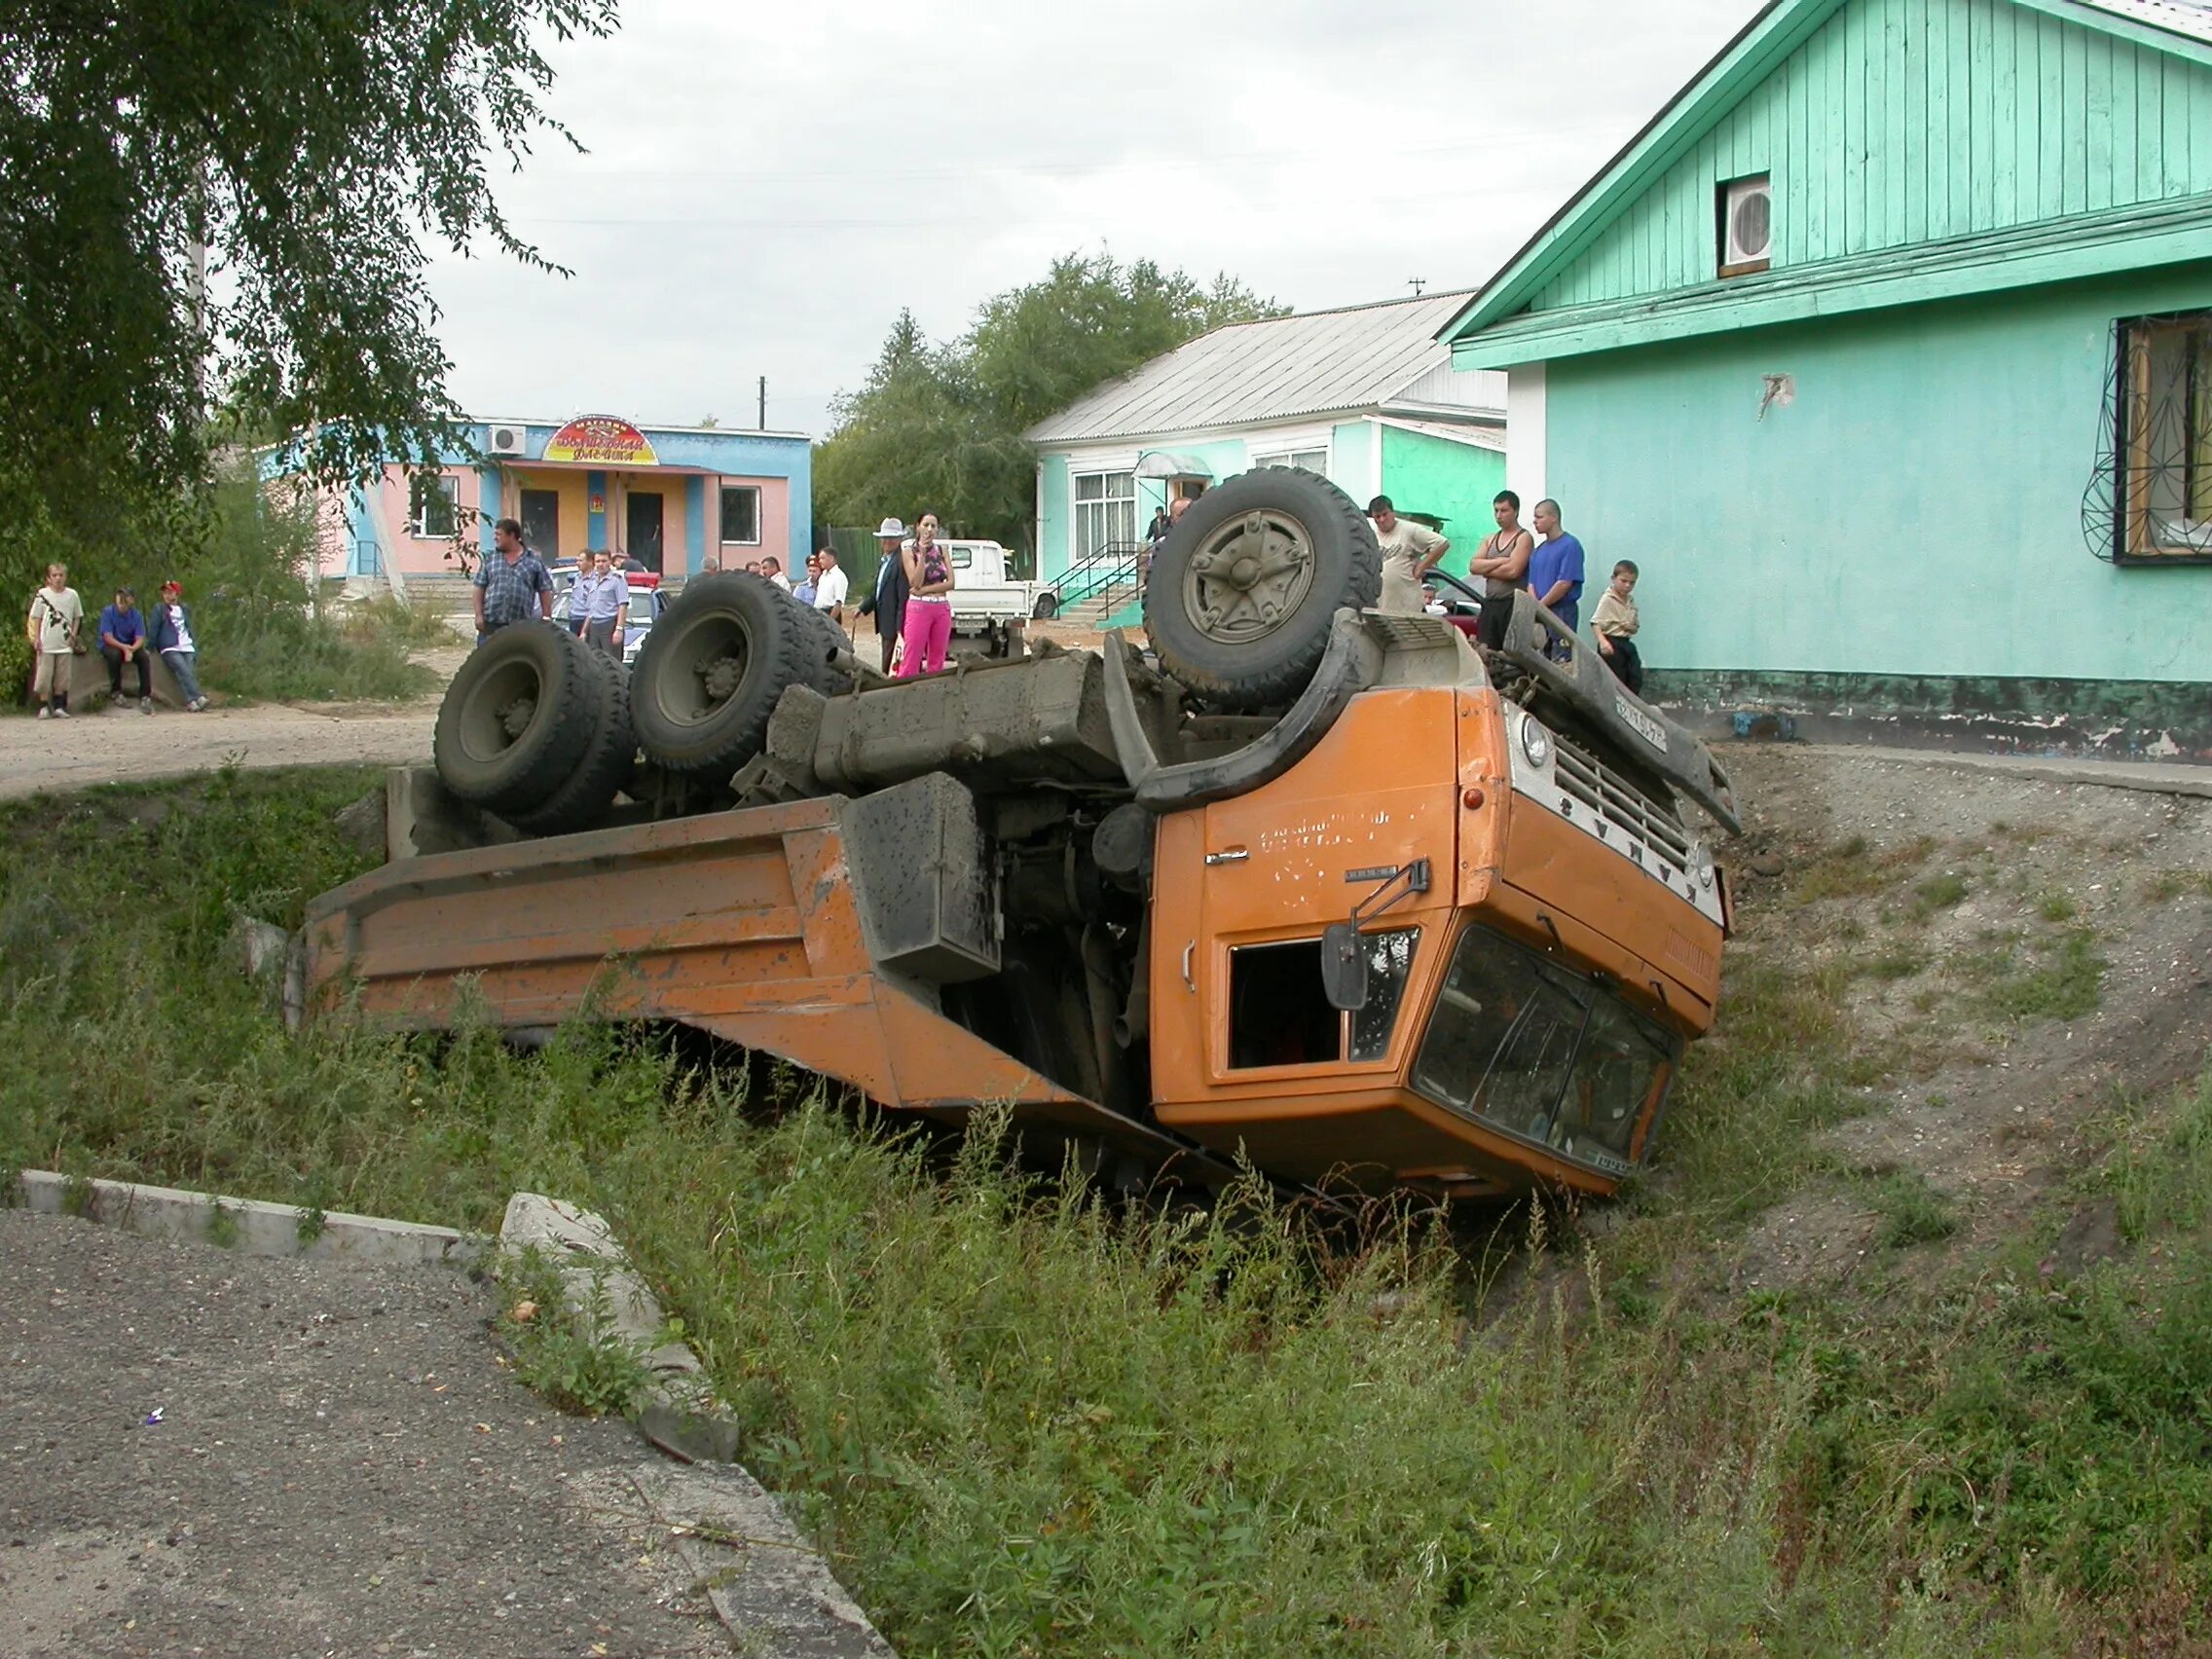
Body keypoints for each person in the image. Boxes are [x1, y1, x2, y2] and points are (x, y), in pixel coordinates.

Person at [1464, 491, 1534, 649]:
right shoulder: (1490, 538)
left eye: (1504, 510)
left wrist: (1486, 569)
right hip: (1490, 603)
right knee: (1486, 652)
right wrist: (1500, 561)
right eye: (1496, 510)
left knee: (1510, 654)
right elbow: (1473, 566)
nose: (1498, 515)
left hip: (1512, 604)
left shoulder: (1523, 537)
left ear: (1515, 511)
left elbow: (1513, 571)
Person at [472, 517, 554, 645]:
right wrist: (478, 615)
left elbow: (545, 589)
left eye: (499, 534)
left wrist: (547, 616)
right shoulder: (491, 559)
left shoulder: (533, 561)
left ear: (512, 535)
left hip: (520, 626)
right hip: (491, 624)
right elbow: (479, 587)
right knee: (487, 662)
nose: (495, 538)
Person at [1369, 496, 1450, 616]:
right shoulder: (1371, 535)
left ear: (1392, 512)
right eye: (1377, 517)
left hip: (1407, 605)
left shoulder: (1409, 530)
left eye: (1385, 515)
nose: (1381, 520)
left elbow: (1442, 543)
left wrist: (1421, 567)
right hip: (1381, 605)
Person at [897, 512, 955, 678]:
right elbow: (915, 582)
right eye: (926, 525)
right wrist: (922, 555)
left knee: (937, 658)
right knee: (912, 655)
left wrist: (925, 590)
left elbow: (951, 583)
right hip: (919, 606)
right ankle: (906, 688)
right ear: (918, 526)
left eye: (933, 526)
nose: (929, 529)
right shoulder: (908, 551)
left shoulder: (942, 550)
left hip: (941, 606)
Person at [26, 563, 83, 719]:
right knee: (44, 676)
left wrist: (74, 634)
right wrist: (36, 638)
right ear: (49, 578)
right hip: (47, 642)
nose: (58, 578)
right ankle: (44, 706)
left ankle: (59, 706)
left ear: (65, 577)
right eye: (54, 575)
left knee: (62, 677)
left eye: (61, 575)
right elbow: (36, 617)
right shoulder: (42, 594)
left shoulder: (72, 595)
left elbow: (77, 616)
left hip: (64, 643)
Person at [855, 517, 910, 674]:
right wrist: (863, 608)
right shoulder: (884, 561)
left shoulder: (900, 562)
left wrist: (900, 627)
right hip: (885, 620)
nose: (887, 541)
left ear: (899, 539)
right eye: (884, 538)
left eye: (892, 538)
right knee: (887, 658)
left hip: (894, 622)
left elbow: (902, 597)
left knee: (892, 663)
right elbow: (878, 591)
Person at [1527, 499, 1587, 632]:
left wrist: (1540, 607)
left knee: (1561, 652)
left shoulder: (1570, 545)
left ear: (1553, 518)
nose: (1535, 521)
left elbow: (1564, 583)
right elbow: (1531, 584)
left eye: (1539, 517)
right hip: (1540, 613)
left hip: (1562, 612)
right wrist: (1536, 608)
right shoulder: (1538, 551)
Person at [148, 580, 208, 711]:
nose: (167, 595)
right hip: (170, 646)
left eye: (170, 592)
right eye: (165, 593)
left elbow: (189, 627)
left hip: (186, 645)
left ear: (177, 593)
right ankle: (199, 697)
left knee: (187, 673)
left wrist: (193, 643)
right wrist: (151, 646)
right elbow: (154, 629)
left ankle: (190, 702)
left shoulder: (184, 608)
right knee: (183, 669)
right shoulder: (160, 609)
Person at [98, 585, 153, 713]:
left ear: (131, 600)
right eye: (119, 599)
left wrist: (132, 649)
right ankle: (116, 691)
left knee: (144, 657)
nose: (121, 602)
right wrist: (125, 649)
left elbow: (140, 637)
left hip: (129, 645)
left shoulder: (136, 615)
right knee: (114, 656)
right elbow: (107, 636)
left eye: (125, 598)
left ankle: (145, 695)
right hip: (112, 644)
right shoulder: (108, 612)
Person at [1592, 560, 1643, 692]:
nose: (1627, 586)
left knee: (1634, 677)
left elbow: (1635, 627)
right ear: (1613, 579)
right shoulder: (1608, 599)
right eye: (1623, 581)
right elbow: (1596, 623)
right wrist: (1603, 642)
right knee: (1615, 680)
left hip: (1626, 642)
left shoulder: (1630, 601)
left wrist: (1629, 627)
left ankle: (1633, 705)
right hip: (1611, 642)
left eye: (1632, 583)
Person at [571, 549, 626, 656]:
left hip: (609, 625)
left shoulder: (617, 580)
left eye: (604, 561)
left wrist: (619, 629)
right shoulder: (594, 581)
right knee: (595, 661)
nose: (601, 564)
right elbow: (591, 610)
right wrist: (584, 631)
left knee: (611, 661)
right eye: (598, 561)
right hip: (594, 626)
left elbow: (622, 605)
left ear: (610, 562)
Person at [812, 547, 849, 625]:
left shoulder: (839, 576)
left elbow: (838, 602)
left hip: (831, 613)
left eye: (823, 558)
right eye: (819, 558)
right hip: (819, 613)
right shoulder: (823, 576)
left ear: (831, 558)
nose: (820, 561)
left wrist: (830, 621)